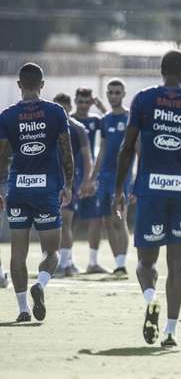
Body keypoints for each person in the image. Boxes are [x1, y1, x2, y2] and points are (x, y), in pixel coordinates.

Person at [113, 49, 181, 348]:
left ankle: (150, 298)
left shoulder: (143, 98)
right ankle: (170, 330)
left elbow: (127, 148)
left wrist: (118, 190)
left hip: (150, 187)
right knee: (177, 263)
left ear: (161, 71)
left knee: (146, 262)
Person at [0, 63, 74, 322]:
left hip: (18, 189)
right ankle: (40, 285)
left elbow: (1, 156)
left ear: (19, 85)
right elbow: (67, 151)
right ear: (42, 85)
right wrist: (69, 184)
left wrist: (0, 188)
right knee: (51, 252)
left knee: (17, 252)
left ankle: (22, 309)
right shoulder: (56, 112)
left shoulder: (7, 116)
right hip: (47, 190)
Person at [88, 79, 134, 277]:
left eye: (118, 92)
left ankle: (123, 264)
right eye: (111, 92)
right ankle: (118, 265)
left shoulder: (131, 118)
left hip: (123, 177)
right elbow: (103, 150)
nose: (114, 95)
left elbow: (138, 148)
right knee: (108, 222)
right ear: (107, 94)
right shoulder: (105, 119)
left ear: (124, 94)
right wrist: (92, 177)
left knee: (119, 220)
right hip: (105, 178)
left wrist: (138, 178)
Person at [52, 93, 94, 278]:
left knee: (66, 221)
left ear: (69, 108)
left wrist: (86, 180)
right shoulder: (48, 127)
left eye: (63, 108)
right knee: (54, 223)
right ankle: (64, 261)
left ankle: (64, 264)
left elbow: (87, 157)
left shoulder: (78, 128)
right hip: (50, 179)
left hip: (69, 180)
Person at [73, 87, 110, 273]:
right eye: (80, 101)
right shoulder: (68, 120)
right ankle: (65, 261)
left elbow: (115, 120)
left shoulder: (96, 120)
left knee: (96, 219)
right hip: (71, 175)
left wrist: (101, 106)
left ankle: (93, 262)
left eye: (87, 102)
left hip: (90, 175)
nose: (84, 105)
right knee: (68, 218)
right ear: (75, 101)